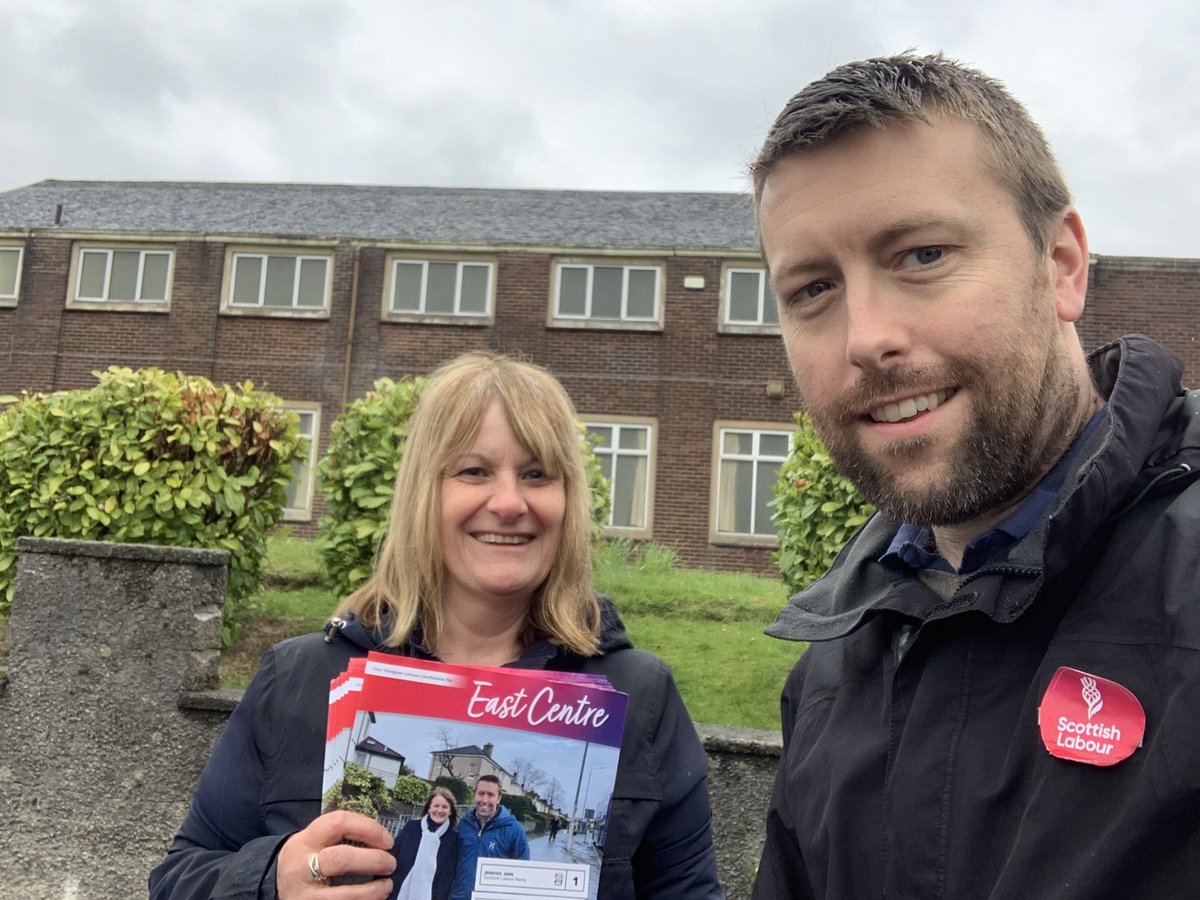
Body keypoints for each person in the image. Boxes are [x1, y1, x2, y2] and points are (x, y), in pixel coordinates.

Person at [750, 51, 1200, 899]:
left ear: (1062, 264)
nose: (864, 337)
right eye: (814, 289)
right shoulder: (829, 662)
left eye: (921, 255)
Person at [149, 351, 724, 899]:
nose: (508, 502)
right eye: (474, 471)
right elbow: (178, 880)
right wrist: (271, 879)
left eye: (537, 474)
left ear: (568, 500)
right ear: (425, 493)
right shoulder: (299, 677)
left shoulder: (641, 695)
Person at [449, 775, 529, 900]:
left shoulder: (515, 830)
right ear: (474, 795)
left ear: (499, 798)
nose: (484, 800)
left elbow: (523, 873)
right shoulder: (464, 823)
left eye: (490, 795)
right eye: (481, 793)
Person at [390, 787, 459, 900]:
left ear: (450, 811)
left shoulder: (453, 839)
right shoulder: (411, 827)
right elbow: (394, 855)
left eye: (445, 807)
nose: (440, 810)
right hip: (399, 893)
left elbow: (448, 877)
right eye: (436, 806)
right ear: (429, 808)